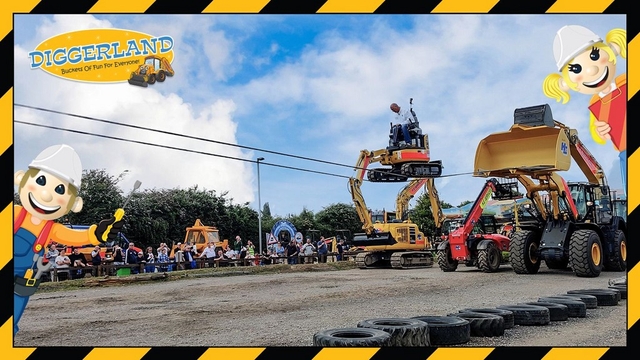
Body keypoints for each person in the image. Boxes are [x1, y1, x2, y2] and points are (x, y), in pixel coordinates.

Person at [12, 144, 124, 334]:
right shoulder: (13, 214)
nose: (46, 195)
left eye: (60, 190)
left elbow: (75, 236)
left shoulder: (52, 229)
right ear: (21, 178)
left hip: (21, 283)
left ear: (75, 204)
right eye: (40, 181)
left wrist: (97, 234)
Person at [543, 25, 627, 195]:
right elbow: (598, 130)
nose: (592, 70)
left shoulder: (627, 81)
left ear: (612, 50)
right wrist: (600, 131)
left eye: (595, 56)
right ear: (566, 83)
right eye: (576, 69)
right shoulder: (597, 103)